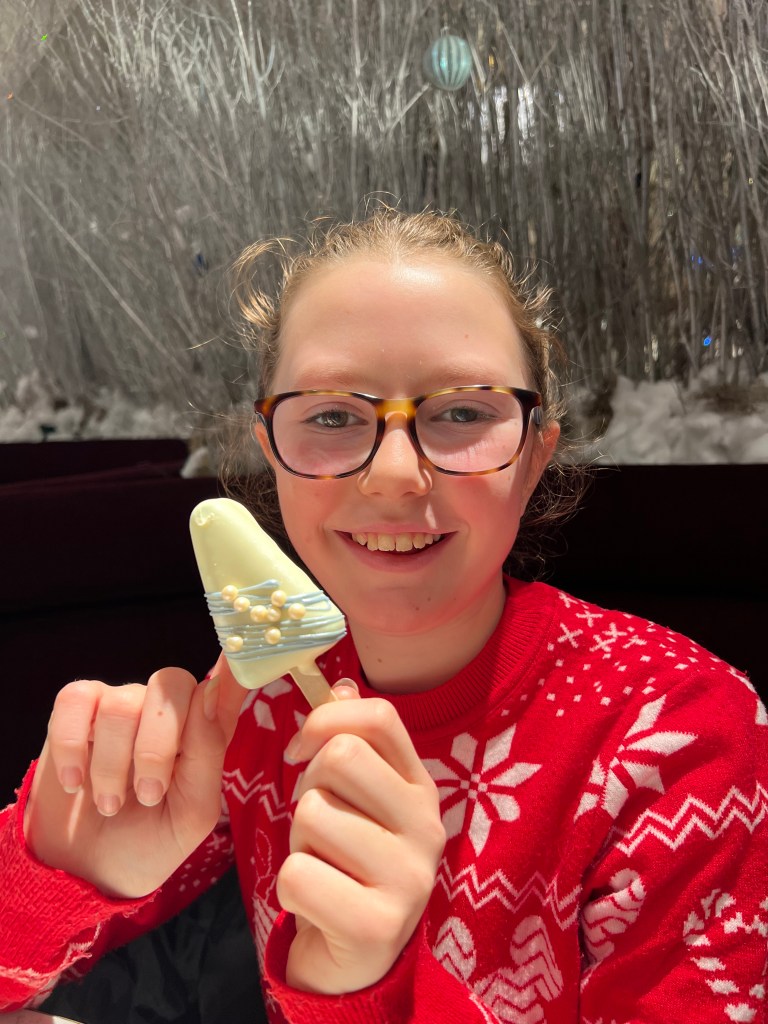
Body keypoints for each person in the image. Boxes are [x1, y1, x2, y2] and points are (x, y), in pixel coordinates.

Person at [1, 206, 767, 1024]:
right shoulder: (255, 710)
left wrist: (367, 992)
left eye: (463, 413)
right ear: (271, 451)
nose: (396, 474)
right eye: (331, 417)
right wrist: (52, 878)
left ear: (535, 453)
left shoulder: (683, 735)